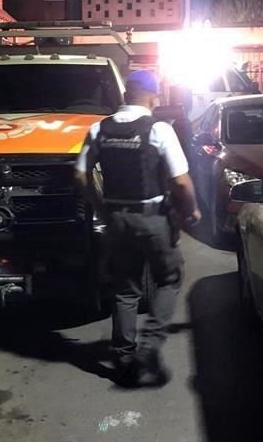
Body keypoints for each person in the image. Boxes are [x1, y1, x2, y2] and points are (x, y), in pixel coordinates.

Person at [75, 70, 201, 388]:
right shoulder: (158, 129)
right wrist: (192, 210)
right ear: (150, 95)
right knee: (169, 280)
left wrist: (101, 206)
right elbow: (181, 181)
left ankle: (123, 356)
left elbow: (80, 176)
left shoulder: (98, 129)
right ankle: (148, 348)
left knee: (125, 289)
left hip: (117, 219)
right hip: (152, 217)